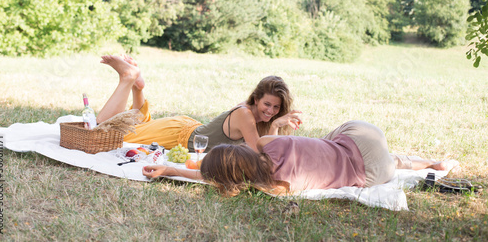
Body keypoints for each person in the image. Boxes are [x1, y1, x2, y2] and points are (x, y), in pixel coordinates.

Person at [142, 120, 460, 196]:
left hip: (375, 171)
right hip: (363, 134)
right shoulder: (266, 142)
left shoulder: (274, 186)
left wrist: (173, 170)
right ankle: (431, 162)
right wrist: (171, 169)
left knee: (391, 162)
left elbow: (221, 178)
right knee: (334, 143)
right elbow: (226, 171)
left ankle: (430, 163)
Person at [96, 55, 301, 152]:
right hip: (176, 135)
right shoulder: (246, 115)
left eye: (276, 108)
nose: (271, 111)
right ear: (256, 99)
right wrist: (275, 126)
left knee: (138, 126)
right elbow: (262, 152)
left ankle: (137, 88)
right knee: (103, 132)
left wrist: (277, 126)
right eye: (267, 104)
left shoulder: (252, 112)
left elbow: (273, 148)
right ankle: (128, 77)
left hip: (183, 129)